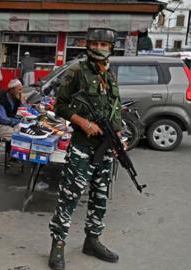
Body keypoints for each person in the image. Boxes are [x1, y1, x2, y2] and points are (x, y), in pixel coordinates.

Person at [48, 28, 125, 270]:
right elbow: (59, 105)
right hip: (82, 147)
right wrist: (83, 123)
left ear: (111, 47)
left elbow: (115, 108)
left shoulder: (110, 74)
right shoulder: (77, 71)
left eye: (105, 44)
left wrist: (118, 137)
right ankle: (58, 245)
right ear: (88, 44)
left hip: (105, 148)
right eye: (96, 43)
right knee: (69, 196)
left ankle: (92, 240)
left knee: (100, 197)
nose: (100, 48)